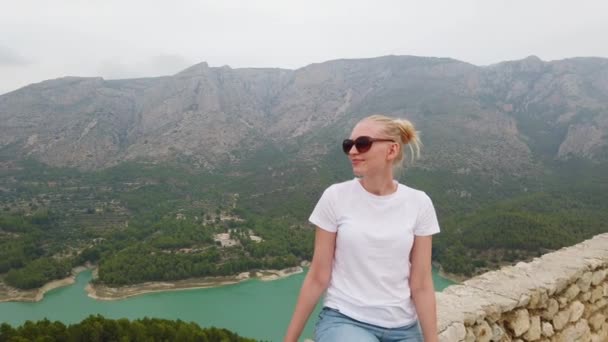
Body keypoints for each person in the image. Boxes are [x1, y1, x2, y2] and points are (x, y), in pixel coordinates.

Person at [284, 114, 440, 342]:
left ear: (392, 150)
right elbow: (318, 276)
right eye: (349, 145)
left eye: (363, 143)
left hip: (404, 327)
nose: (353, 151)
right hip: (345, 319)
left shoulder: (419, 203)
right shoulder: (335, 197)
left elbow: (422, 284)